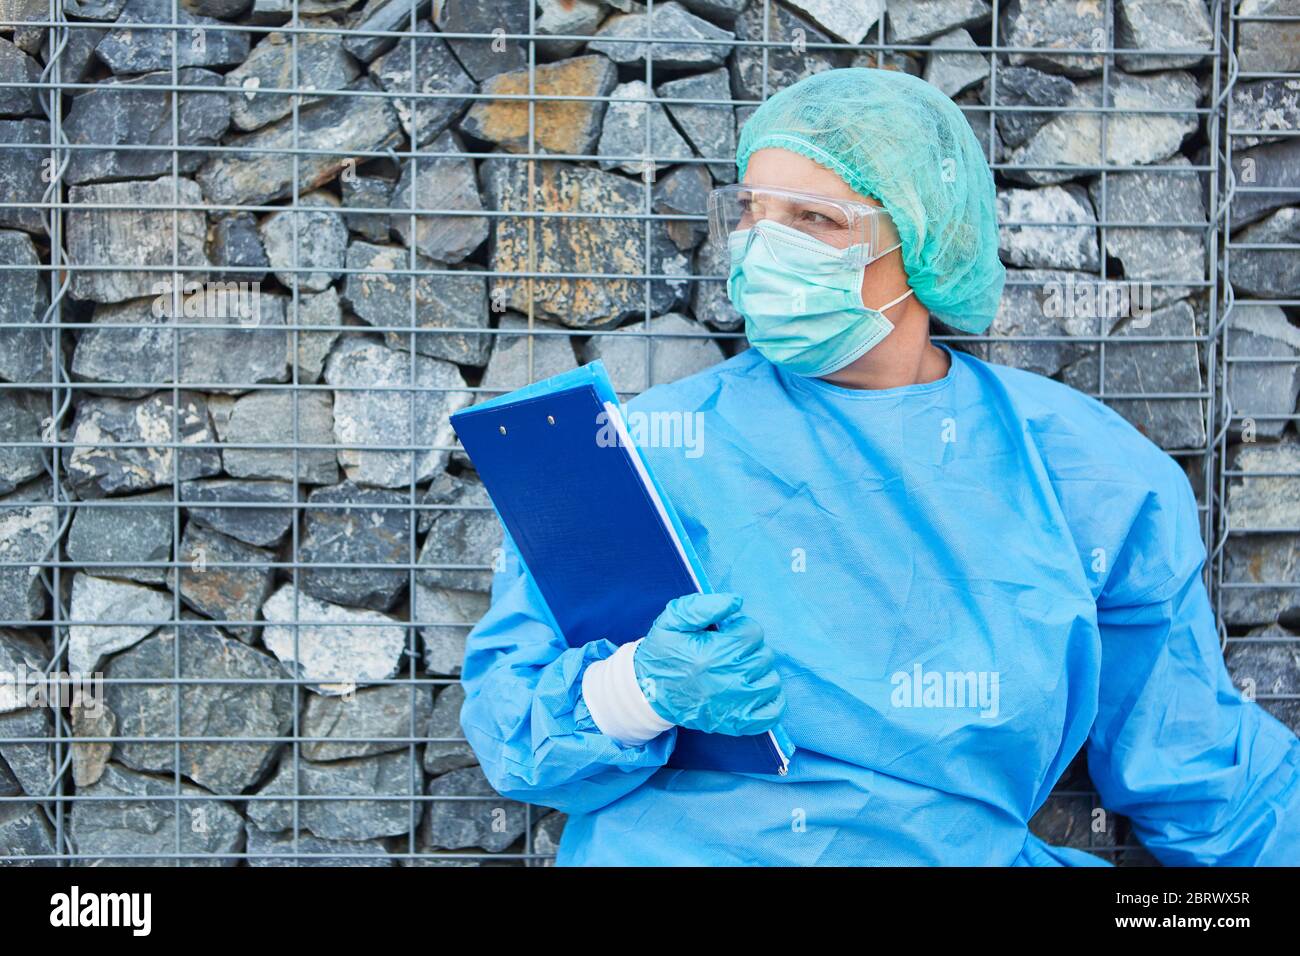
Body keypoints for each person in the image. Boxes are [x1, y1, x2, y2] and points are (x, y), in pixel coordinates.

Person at [459, 67, 1300, 865]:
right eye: (751, 211)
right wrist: (635, 690)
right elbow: (514, 731)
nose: (763, 249)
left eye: (817, 221)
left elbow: (1197, 767)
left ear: (927, 239)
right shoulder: (642, 448)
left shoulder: (1089, 475)